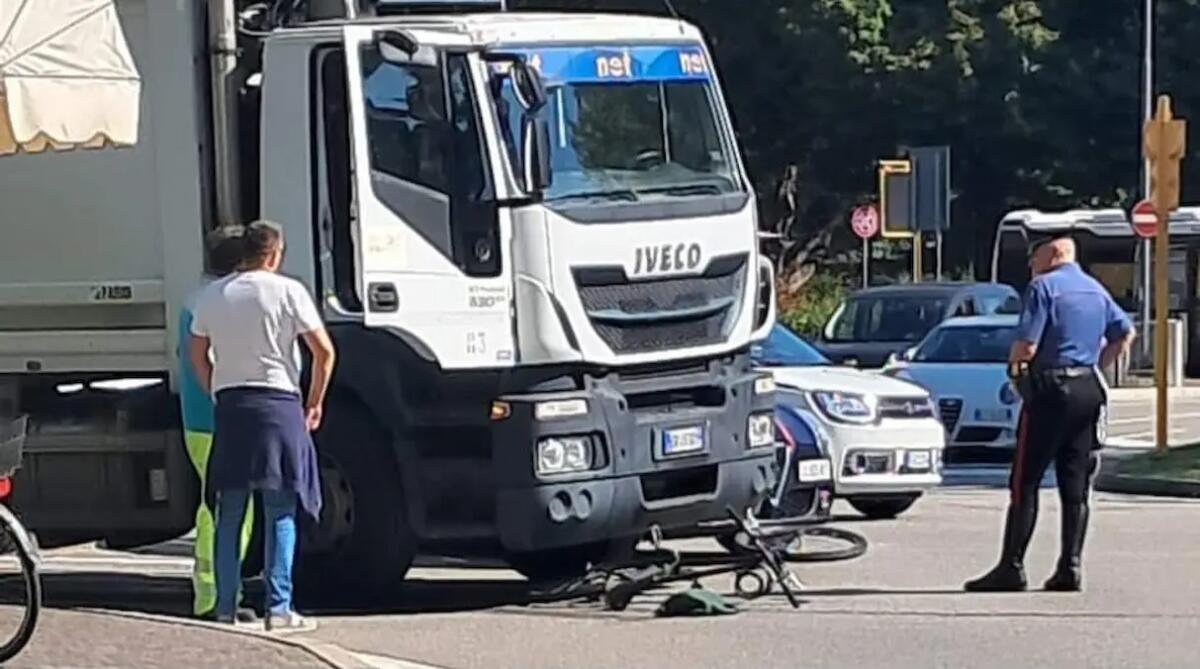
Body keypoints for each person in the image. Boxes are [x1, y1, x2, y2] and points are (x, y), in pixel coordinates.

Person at [965, 235, 1134, 593]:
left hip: (1051, 390)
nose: (1031, 265)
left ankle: (1011, 567)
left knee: (1025, 481)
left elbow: (1026, 346)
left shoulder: (1043, 288)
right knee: (1075, 485)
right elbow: (1124, 334)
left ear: (1053, 253)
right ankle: (1069, 566)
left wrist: (1017, 376)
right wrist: (1096, 367)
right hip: (1088, 388)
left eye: (1034, 257)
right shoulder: (1095, 289)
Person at [188, 220, 336, 630]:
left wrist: (214, 388)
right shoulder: (288, 291)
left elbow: (196, 352)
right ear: (273, 254)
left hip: (233, 407)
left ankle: (224, 606)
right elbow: (323, 352)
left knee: (229, 511)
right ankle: (279, 607)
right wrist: (315, 402)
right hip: (279, 405)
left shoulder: (213, 295)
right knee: (281, 510)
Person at [177, 225, 255, 621]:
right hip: (216, 419)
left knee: (224, 507)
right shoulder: (219, 301)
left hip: (199, 419)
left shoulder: (197, 300)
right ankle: (212, 596)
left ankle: (223, 591)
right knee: (224, 509)